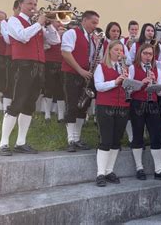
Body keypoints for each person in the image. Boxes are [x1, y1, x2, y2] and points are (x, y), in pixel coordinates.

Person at [0, 0, 60, 156]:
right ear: (20, 5)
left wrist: (49, 25)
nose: (33, 7)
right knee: (17, 102)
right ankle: (3, 143)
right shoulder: (13, 20)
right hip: (22, 66)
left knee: (30, 105)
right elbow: (22, 37)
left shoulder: (37, 25)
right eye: (30, 4)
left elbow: (55, 41)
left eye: (35, 4)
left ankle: (21, 142)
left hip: (39, 67)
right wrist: (39, 23)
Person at [61, 10, 100, 152]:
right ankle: (70, 139)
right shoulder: (71, 33)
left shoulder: (92, 38)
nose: (95, 26)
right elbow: (66, 53)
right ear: (84, 20)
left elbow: (92, 57)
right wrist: (80, 70)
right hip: (73, 74)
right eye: (93, 22)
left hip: (87, 76)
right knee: (72, 106)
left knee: (82, 107)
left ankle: (77, 138)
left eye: (96, 23)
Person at [128, 43, 161, 181]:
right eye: (145, 53)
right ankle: (139, 168)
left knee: (156, 136)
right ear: (140, 54)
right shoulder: (133, 68)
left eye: (150, 54)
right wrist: (141, 82)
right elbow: (128, 89)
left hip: (153, 105)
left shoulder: (157, 69)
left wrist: (155, 83)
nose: (148, 56)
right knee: (138, 135)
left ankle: (158, 169)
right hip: (137, 104)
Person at [94, 40, 129, 187]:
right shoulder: (101, 67)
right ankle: (100, 173)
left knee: (116, 141)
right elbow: (99, 86)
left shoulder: (125, 68)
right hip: (105, 106)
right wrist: (115, 82)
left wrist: (129, 83)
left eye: (121, 50)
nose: (120, 53)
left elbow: (129, 88)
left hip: (123, 107)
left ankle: (109, 171)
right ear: (109, 51)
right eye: (116, 50)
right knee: (106, 140)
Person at [43, 20, 66, 122]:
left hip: (62, 64)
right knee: (49, 88)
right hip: (49, 62)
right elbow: (44, 46)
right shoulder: (46, 32)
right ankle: (47, 113)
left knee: (61, 90)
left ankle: (60, 116)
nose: (59, 25)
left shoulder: (66, 35)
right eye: (57, 22)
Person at [2, 0, 21, 112]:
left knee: (21, 83)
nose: (20, 11)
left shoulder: (28, 22)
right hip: (11, 56)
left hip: (24, 57)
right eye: (18, 9)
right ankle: (6, 109)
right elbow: (8, 40)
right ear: (14, 9)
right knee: (10, 82)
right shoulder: (7, 22)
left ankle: (18, 108)